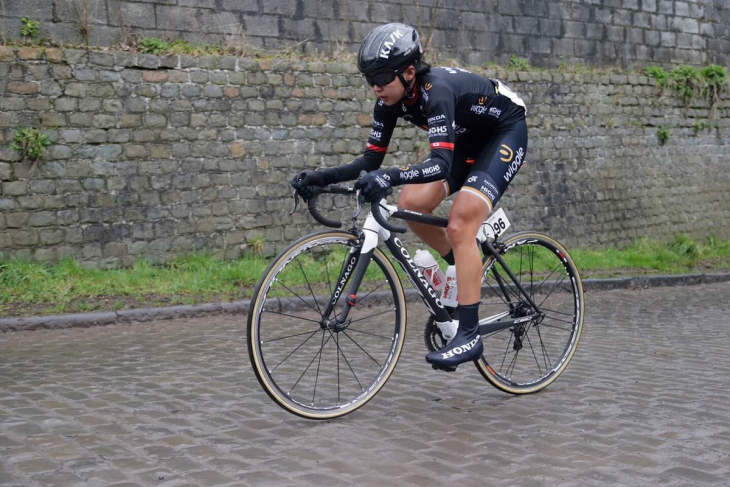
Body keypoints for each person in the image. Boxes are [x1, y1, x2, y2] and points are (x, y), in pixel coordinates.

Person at [291, 23, 528, 371]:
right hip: (466, 141)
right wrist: (319, 177)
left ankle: (470, 334)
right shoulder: (389, 102)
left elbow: (439, 164)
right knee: (410, 206)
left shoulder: (438, 92)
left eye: (383, 78)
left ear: (409, 71)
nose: (376, 87)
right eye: (369, 79)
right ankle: (461, 267)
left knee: (461, 222)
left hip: (504, 131)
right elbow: (369, 161)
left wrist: (390, 176)